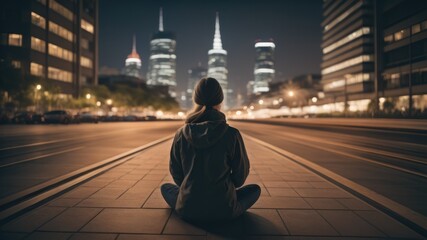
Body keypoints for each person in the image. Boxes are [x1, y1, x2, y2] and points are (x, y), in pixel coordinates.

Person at [161, 77, 261, 222]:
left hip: (188, 209)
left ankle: (188, 202)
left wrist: (192, 187)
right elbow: (240, 178)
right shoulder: (232, 134)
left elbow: (176, 174)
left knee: (165, 188)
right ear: (220, 100)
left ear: (196, 99)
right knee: (254, 190)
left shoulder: (180, 134)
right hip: (224, 210)